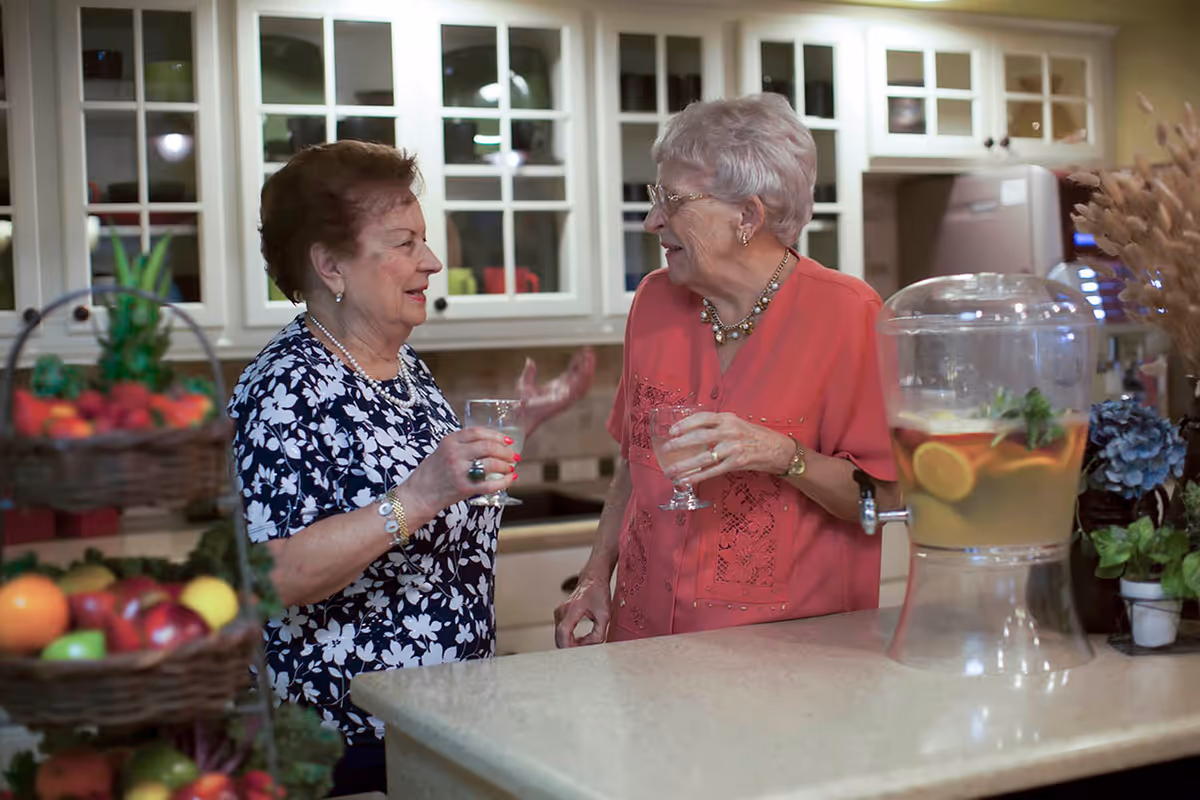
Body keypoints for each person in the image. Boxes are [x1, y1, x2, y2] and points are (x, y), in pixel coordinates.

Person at [229, 141, 594, 796]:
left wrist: (510, 432)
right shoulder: (285, 390)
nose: (431, 261)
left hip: (435, 722)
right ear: (330, 265)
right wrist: (418, 494)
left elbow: (439, 488)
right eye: (404, 244)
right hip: (343, 745)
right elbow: (271, 575)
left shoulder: (400, 367)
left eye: (424, 241)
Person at [554, 94, 898, 648]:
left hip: (787, 661)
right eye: (653, 197)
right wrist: (596, 576)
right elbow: (633, 461)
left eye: (673, 201)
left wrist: (785, 456)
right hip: (643, 646)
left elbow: (884, 501)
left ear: (748, 215)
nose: (651, 221)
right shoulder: (654, 301)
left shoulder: (849, 315)